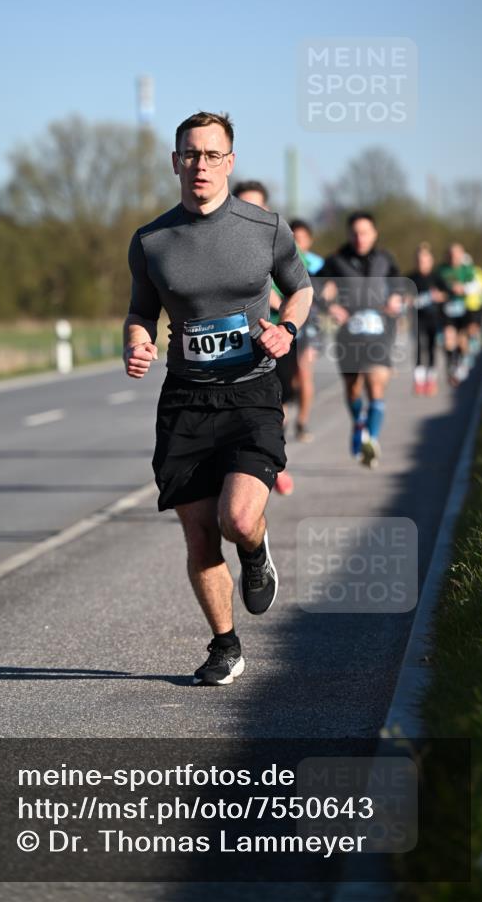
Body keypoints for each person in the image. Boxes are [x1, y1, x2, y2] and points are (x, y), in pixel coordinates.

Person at [124, 112, 312, 686]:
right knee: (200, 533)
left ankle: (255, 552)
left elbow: (300, 289)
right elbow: (140, 311)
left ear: (229, 161)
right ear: (175, 160)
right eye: (190, 154)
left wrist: (287, 328)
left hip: (251, 392)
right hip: (185, 400)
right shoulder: (152, 240)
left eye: (211, 154)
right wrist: (137, 341)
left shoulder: (264, 227)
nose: (200, 164)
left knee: (236, 518)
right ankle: (225, 646)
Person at [320, 211, 402, 469]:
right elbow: (312, 288)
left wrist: (396, 297)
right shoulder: (335, 260)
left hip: (380, 331)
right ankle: (358, 424)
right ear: (348, 234)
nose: (359, 238)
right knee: (353, 386)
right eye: (355, 233)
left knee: (376, 383)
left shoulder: (385, 259)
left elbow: (399, 284)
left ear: (374, 234)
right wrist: (329, 306)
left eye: (364, 232)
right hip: (349, 333)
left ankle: (372, 439)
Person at [232, 181, 295, 496]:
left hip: (275, 341)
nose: (249, 214)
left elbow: (300, 290)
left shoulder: (277, 242)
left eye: (256, 207)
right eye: (242, 206)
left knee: (274, 407)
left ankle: (271, 462)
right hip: (233, 345)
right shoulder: (221, 244)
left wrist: (283, 314)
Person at [289, 219, 324, 441]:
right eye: (293, 239)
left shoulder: (318, 265)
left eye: (300, 239)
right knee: (290, 379)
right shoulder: (280, 260)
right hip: (285, 323)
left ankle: (302, 422)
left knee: (304, 373)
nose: (297, 243)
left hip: (310, 326)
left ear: (309, 241)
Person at [406, 242, 447, 395]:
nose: (422, 263)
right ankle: (418, 381)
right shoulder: (411, 277)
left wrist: (438, 296)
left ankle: (431, 381)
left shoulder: (437, 277)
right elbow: (403, 296)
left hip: (433, 317)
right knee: (417, 348)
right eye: (419, 261)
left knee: (431, 348)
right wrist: (409, 300)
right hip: (417, 319)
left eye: (424, 260)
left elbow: (447, 294)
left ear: (431, 261)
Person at [436, 242, 477, 385]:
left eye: (457, 254)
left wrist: (463, 288)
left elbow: (476, 286)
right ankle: (451, 363)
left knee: (462, 340)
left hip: (465, 308)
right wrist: (440, 294)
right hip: (448, 309)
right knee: (448, 337)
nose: (454, 257)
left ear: (462, 254)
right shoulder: (441, 269)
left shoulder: (468, 269)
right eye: (451, 254)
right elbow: (435, 287)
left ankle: (461, 363)